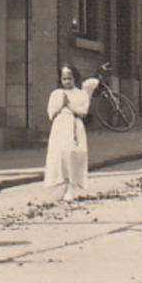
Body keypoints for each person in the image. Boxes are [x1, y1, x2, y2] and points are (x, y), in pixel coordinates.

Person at [43, 65, 95, 201]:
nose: (67, 81)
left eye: (70, 78)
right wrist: (61, 104)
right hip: (60, 126)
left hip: (75, 125)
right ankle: (64, 185)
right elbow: (51, 114)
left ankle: (71, 187)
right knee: (60, 155)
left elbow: (83, 113)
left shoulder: (81, 94)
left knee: (74, 154)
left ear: (75, 78)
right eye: (64, 79)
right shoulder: (56, 94)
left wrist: (69, 104)